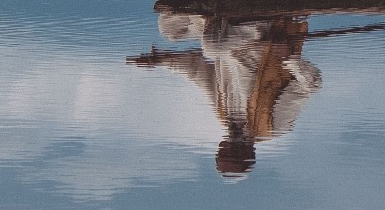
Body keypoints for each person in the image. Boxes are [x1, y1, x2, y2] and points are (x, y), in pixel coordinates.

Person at [131, 10, 321, 178]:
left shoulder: (224, 116)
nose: (228, 144)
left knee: (170, 29)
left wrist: (161, 61)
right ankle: (226, 12)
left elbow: (198, 72)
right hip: (260, 35)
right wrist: (289, 58)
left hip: (227, 38)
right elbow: (311, 84)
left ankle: (215, 8)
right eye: (234, 150)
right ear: (249, 151)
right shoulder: (273, 125)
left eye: (224, 150)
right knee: (212, 46)